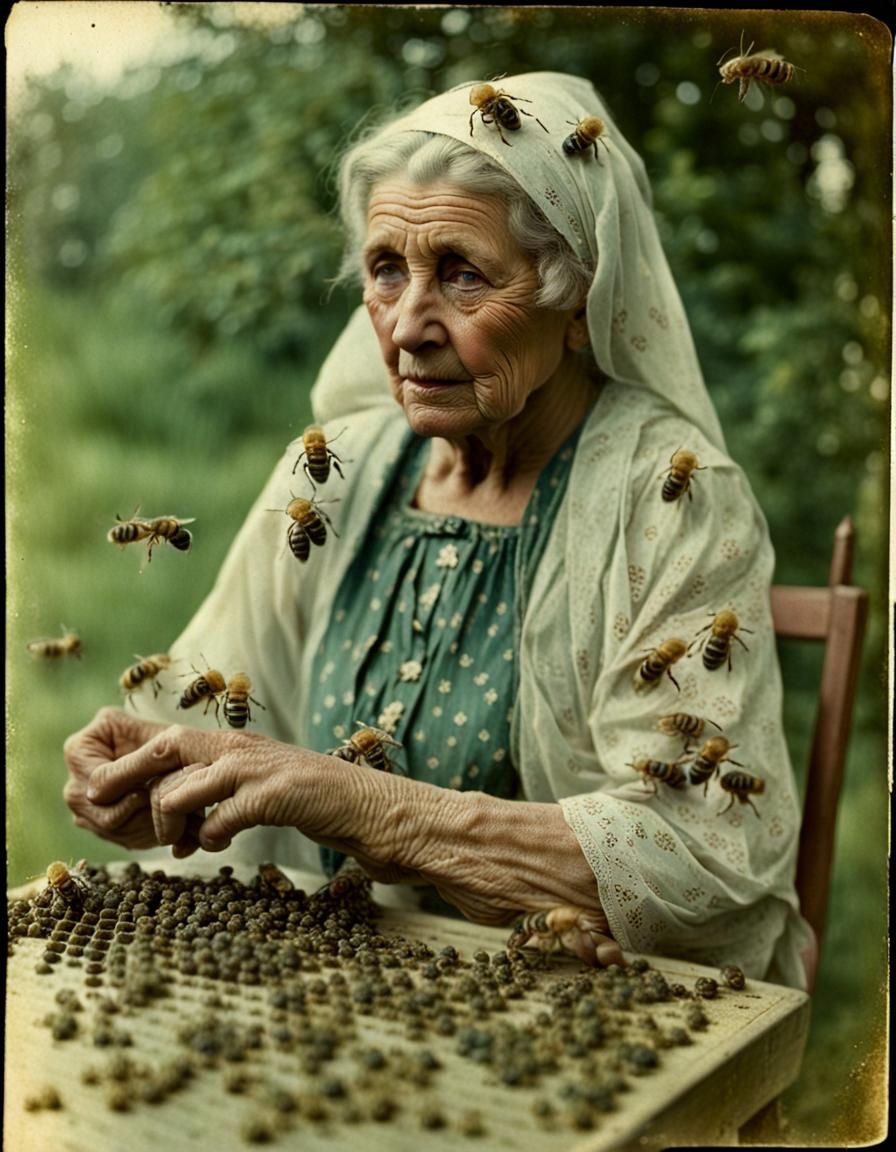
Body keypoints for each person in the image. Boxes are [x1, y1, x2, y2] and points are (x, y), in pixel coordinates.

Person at [63, 72, 813, 987]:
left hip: (581, 1006)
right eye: (387, 269)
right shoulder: (337, 469)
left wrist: (362, 802)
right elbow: (211, 706)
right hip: (337, 987)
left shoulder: (668, 498)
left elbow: (706, 855)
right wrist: (144, 775)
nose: (409, 326)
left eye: (462, 274)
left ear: (578, 303)